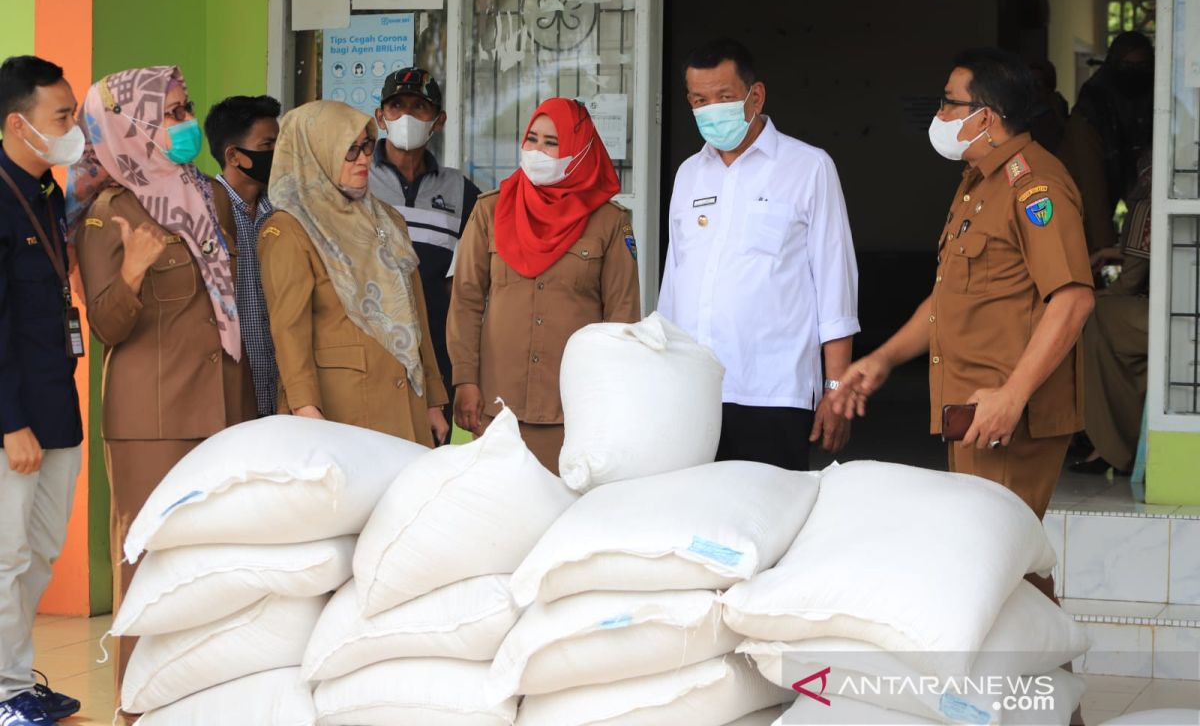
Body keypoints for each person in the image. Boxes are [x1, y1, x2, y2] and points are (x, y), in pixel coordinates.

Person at [830, 48, 1094, 601]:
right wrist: (884, 358)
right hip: (973, 411)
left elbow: (1071, 300)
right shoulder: (978, 181)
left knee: (1000, 565)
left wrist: (1013, 395)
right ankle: (1040, 686)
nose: (940, 115)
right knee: (1003, 565)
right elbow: (948, 300)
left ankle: (1031, 686)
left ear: (988, 116)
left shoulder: (1034, 185)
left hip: (1007, 414)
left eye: (949, 103)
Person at [71, 66, 256, 695]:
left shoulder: (208, 194)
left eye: (186, 108)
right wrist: (133, 273)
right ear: (133, 126)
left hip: (224, 408)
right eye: (170, 113)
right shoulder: (108, 212)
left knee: (216, 563)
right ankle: (137, 702)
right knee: (148, 567)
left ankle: (205, 701)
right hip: (151, 419)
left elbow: (230, 306)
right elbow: (106, 326)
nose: (185, 123)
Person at [657, 38, 859, 471]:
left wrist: (836, 387)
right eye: (699, 100)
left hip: (772, 393)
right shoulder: (689, 175)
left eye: (724, 97)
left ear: (756, 95)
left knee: (766, 521)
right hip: (692, 394)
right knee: (693, 520)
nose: (711, 109)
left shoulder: (808, 167)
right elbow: (673, 287)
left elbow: (835, 285)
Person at [447, 97, 640, 471]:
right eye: (532, 139)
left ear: (579, 150)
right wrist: (464, 381)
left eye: (552, 142)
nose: (537, 151)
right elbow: (466, 301)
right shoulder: (490, 210)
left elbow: (622, 318)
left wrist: (611, 401)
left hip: (573, 412)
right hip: (495, 408)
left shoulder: (610, 222)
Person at [258, 100, 449, 446]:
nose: (363, 158)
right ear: (317, 151)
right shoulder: (290, 229)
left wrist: (434, 398)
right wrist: (303, 407)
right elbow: (289, 330)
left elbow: (414, 311)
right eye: (350, 150)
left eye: (366, 146)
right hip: (342, 409)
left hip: (407, 400)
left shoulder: (387, 219)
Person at [0, 56, 85, 726]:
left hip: (56, 404)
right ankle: (3, 693)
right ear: (17, 124)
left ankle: (18, 678)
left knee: (43, 552)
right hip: (14, 417)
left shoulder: (51, 195)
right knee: (5, 557)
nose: (73, 126)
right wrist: (9, 421)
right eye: (61, 116)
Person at [369, 68, 482, 422]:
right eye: (396, 105)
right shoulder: (356, 177)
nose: (406, 116)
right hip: (371, 346)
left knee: (427, 462)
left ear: (439, 120)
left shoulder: (460, 190)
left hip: (435, 351)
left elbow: (486, 260)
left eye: (420, 107)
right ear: (380, 116)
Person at [204, 95, 283, 418]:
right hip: (227, 392)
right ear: (234, 156)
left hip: (279, 390)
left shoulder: (281, 214)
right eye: (267, 146)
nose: (278, 155)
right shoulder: (203, 213)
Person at [1074, 151, 1152, 475]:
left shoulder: (1147, 201)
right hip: (1180, 313)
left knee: (1088, 315)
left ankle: (1105, 440)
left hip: (1166, 316)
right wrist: (1110, 252)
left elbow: (1130, 282)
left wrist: (1091, 293)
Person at [1057, 31, 1154, 254]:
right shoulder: (1092, 108)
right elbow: (1091, 181)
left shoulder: (1148, 107)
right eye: (1128, 65)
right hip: (1076, 209)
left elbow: (1139, 177)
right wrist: (1105, 243)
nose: (1135, 74)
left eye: (1143, 66)